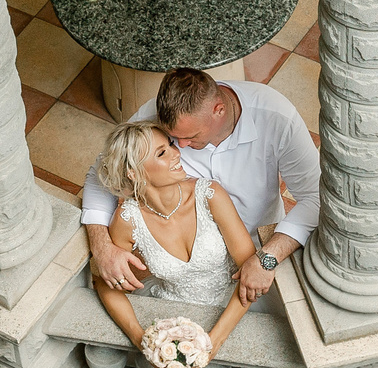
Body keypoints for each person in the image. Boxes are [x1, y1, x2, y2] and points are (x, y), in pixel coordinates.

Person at [80, 67, 320, 308]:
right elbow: (101, 174)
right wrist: (101, 247)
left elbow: (315, 197)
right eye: (172, 140)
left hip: (258, 246)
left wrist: (269, 256)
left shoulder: (277, 117)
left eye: (190, 137)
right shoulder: (154, 115)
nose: (180, 147)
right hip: (189, 264)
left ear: (219, 110)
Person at [89, 120, 260, 365]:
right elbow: (107, 285)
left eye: (170, 145)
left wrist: (212, 342)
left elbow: (249, 274)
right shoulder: (128, 220)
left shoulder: (210, 195)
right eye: (162, 153)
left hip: (235, 308)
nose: (177, 153)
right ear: (135, 173)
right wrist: (143, 341)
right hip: (173, 317)